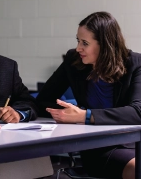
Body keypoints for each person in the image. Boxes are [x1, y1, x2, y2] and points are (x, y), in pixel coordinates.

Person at [35, 12, 140, 179]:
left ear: (105, 45)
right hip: (100, 148)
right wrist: (67, 115)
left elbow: (137, 112)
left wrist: (85, 115)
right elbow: (43, 100)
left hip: (133, 143)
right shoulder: (74, 60)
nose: (78, 48)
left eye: (85, 43)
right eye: (78, 41)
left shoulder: (135, 63)